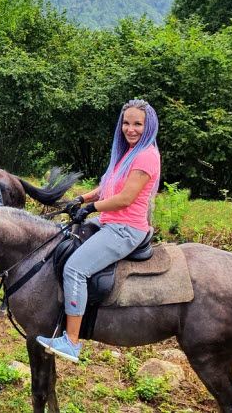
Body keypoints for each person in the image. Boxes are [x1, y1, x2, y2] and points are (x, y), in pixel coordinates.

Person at [36, 99, 160, 362]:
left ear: (148, 126)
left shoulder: (146, 155)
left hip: (126, 229)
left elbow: (125, 198)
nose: (131, 129)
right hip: (108, 221)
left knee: (75, 268)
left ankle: (71, 342)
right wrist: (80, 199)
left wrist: (91, 207)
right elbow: (109, 186)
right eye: (126, 123)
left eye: (138, 124)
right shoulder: (127, 152)